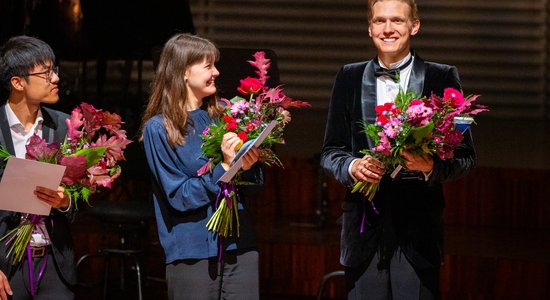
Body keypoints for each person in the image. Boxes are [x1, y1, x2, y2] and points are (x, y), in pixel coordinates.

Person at [320, 0, 477, 299]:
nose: (388, 29)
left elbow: (466, 157)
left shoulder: (441, 77)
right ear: (369, 28)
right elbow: (331, 152)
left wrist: (429, 166)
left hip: (418, 233)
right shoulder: (348, 76)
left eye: (397, 21)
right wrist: (352, 167)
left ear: (414, 26)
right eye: (380, 21)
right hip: (364, 231)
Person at [141, 33, 262, 300]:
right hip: (192, 249)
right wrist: (225, 167)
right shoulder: (159, 129)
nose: (217, 72)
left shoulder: (226, 114)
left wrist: (249, 165)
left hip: (239, 244)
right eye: (208, 66)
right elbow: (179, 197)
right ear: (184, 71)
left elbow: (253, 189)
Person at [0, 36, 76, 299]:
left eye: (54, 70)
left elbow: (80, 196)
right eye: (45, 73)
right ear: (18, 82)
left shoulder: (65, 128)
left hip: (56, 264)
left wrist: (65, 201)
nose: (55, 78)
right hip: (7, 267)